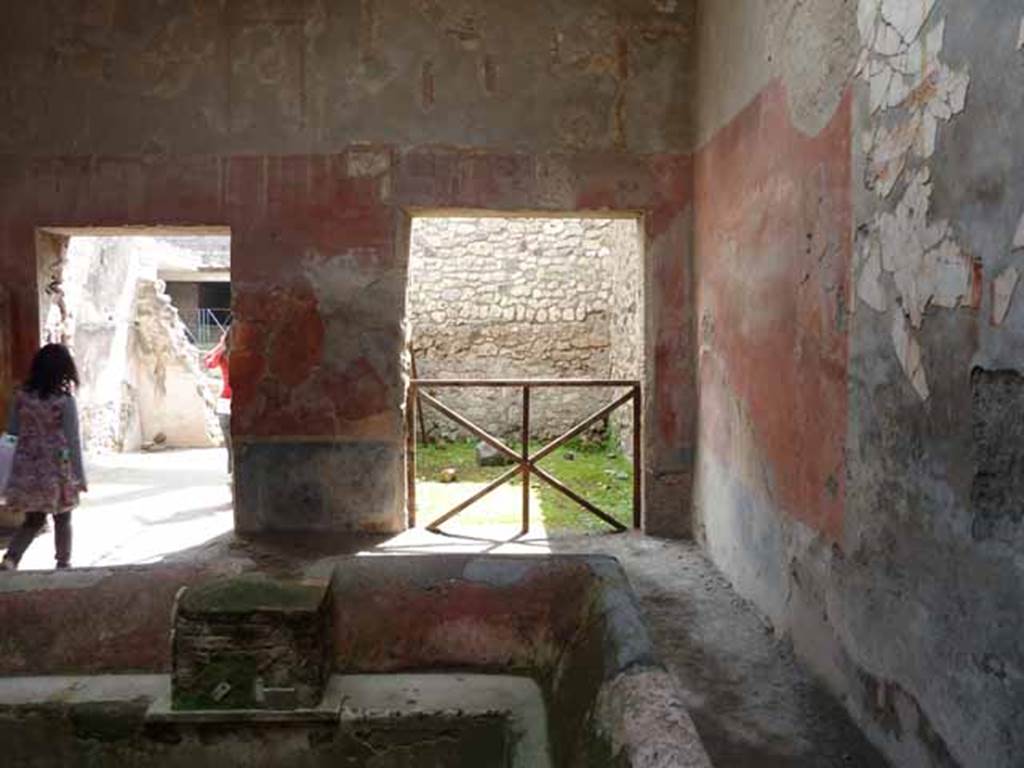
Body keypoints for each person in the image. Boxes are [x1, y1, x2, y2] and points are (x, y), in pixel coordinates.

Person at [1, 344, 87, 570]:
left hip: (28, 468)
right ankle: (63, 562)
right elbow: (73, 440)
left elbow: (12, 432)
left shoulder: (21, 396)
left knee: (34, 519)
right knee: (63, 517)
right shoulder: (64, 401)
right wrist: (79, 475)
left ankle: (11, 559)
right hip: (57, 468)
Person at [204, 326, 232, 474]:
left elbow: (208, 362)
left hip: (225, 403)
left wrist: (220, 346)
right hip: (243, 403)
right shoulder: (246, 353)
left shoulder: (222, 354)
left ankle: (232, 477)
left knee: (230, 448)